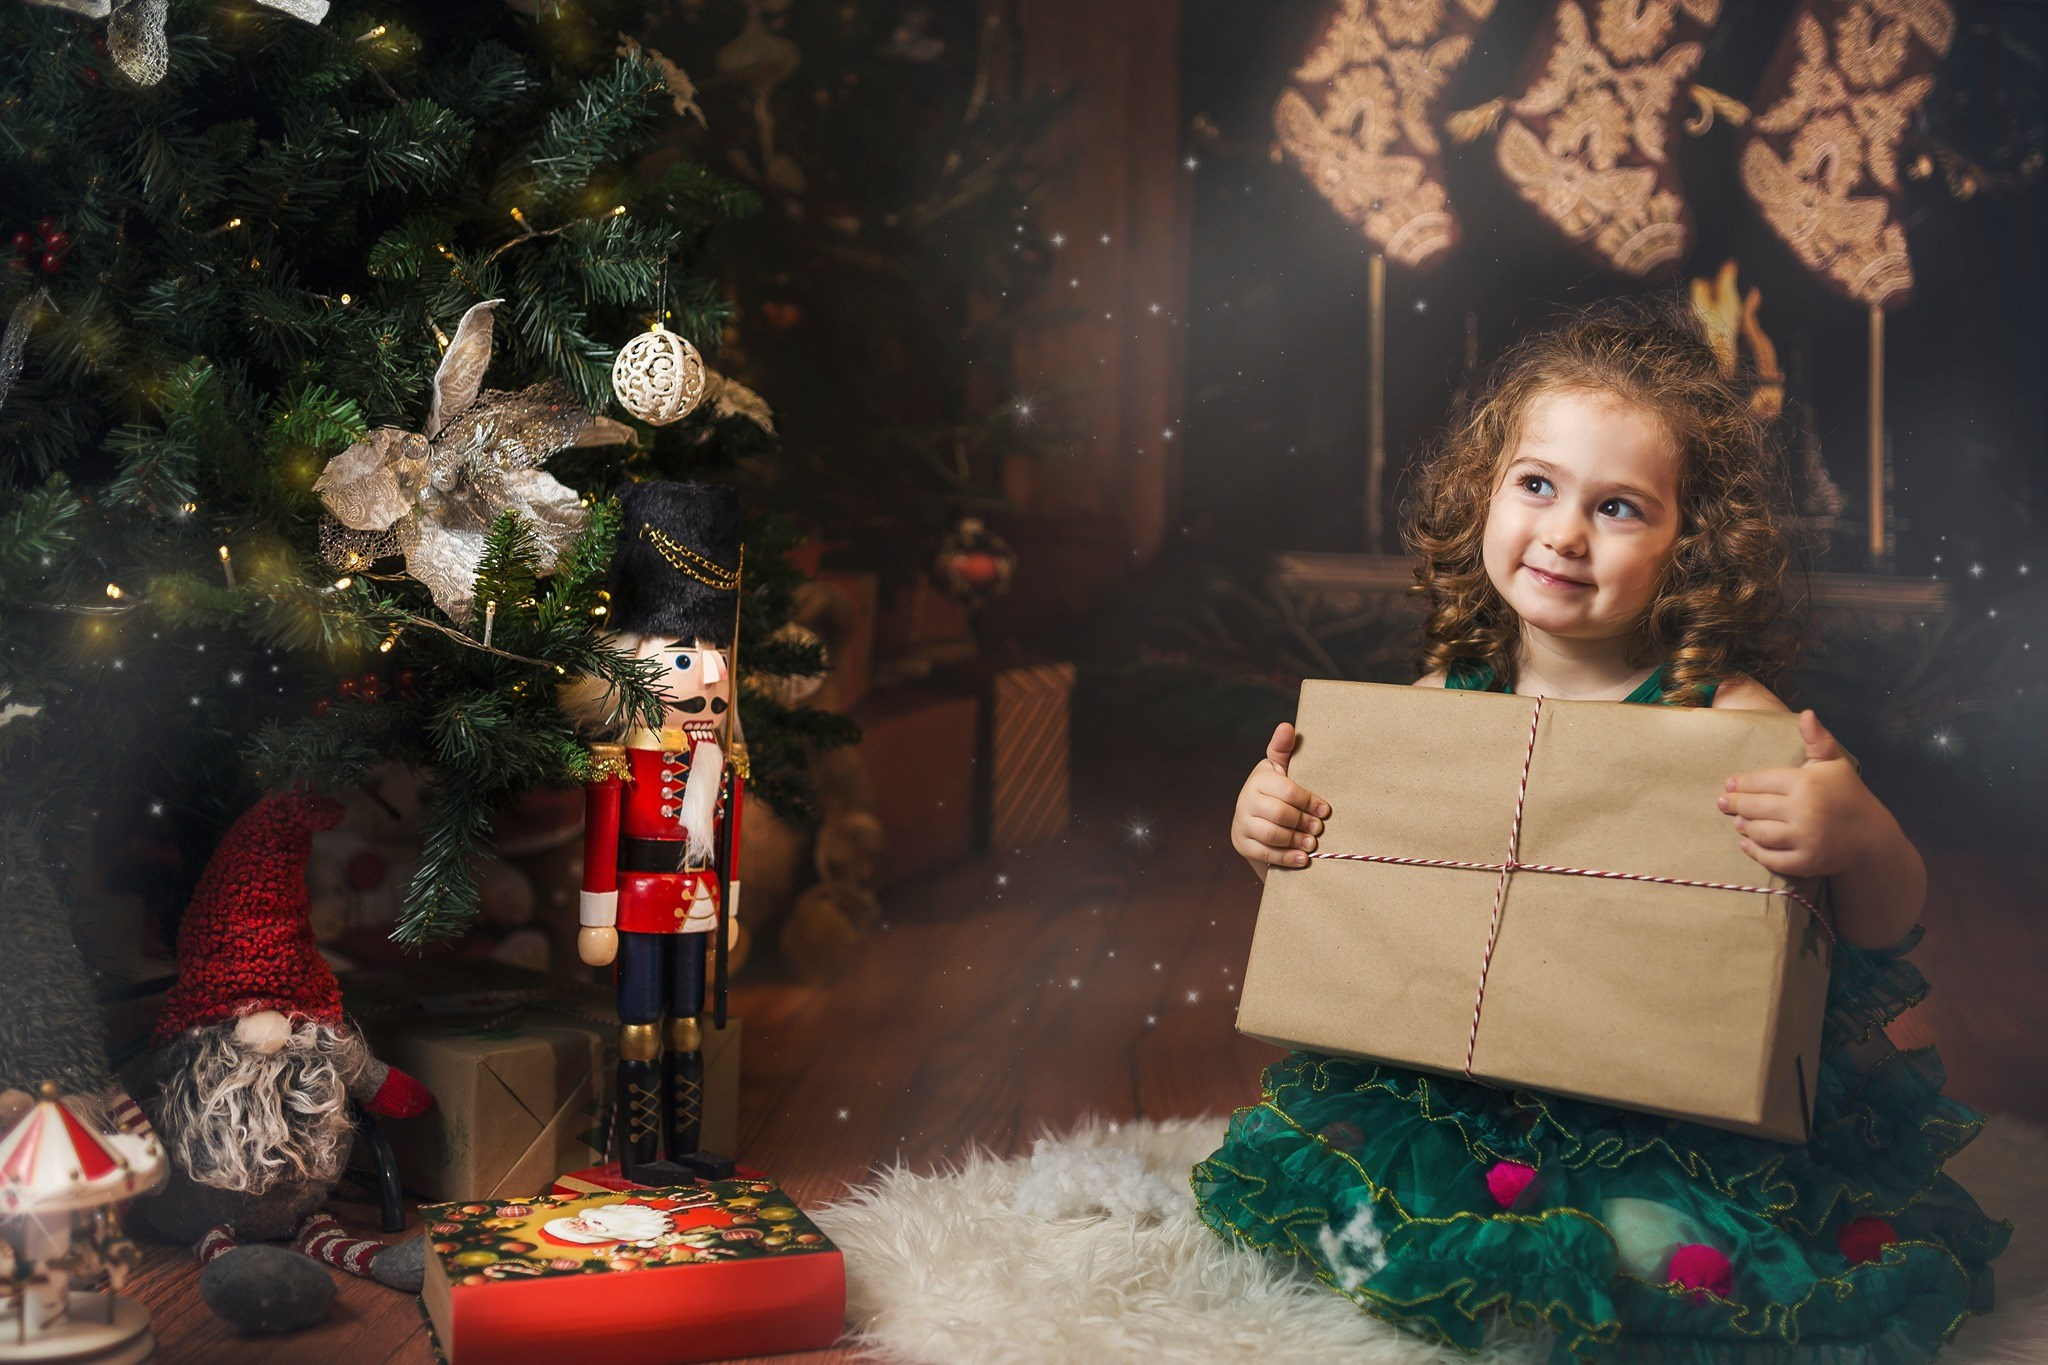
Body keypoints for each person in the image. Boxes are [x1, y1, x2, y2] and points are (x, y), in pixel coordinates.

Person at [1199, 297, 2009, 1362]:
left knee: (1654, 1248)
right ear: (1482, 495)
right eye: (1535, 485)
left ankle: (1587, 1274)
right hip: (1467, 1089)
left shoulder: (1726, 720)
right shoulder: (1444, 699)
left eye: (1619, 507)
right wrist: (1264, 821)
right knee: (1352, 1197)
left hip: (1661, 1102)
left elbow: (1876, 922)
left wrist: (1850, 827)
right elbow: (1354, 877)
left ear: (1689, 546)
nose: (1564, 533)